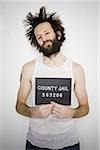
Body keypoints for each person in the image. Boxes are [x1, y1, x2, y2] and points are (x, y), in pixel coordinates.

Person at [16, 6, 89, 150]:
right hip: (35, 143)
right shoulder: (29, 68)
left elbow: (85, 107)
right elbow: (19, 106)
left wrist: (73, 113)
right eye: (39, 37)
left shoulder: (76, 69)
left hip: (69, 143)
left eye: (47, 33)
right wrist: (32, 111)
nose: (43, 38)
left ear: (58, 34)